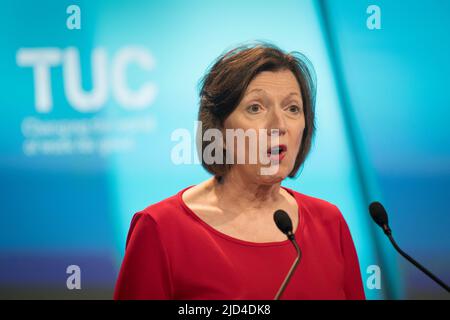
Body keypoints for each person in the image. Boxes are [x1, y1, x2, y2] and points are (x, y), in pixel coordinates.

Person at [114, 42, 366, 300]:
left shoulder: (329, 223)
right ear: (219, 128)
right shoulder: (162, 229)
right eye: (255, 108)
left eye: (292, 109)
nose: (279, 125)